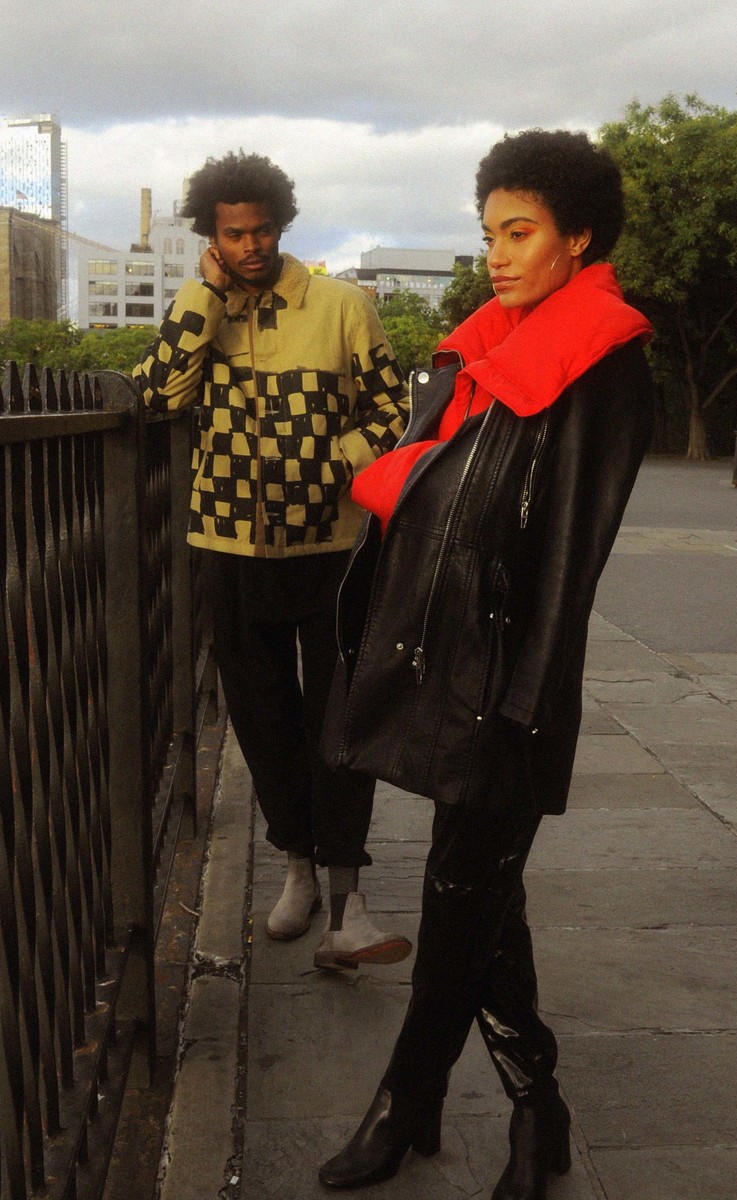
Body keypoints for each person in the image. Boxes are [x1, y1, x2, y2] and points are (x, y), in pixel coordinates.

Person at [317, 130, 654, 1197]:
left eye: (519, 232)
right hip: (444, 656)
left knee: (462, 886)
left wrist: (522, 700)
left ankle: (409, 1100)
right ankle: (531, 1108)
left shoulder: (603, 359)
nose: (496, 255)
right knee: (479, 892)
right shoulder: (483, 350)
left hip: (510, 679)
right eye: (488, 233)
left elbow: (570, 558)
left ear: (577, 237)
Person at [133, 151, 411, 968]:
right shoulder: (203, 308)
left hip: (332, 549)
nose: (250, 246)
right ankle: (297, 868)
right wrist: (203, 296)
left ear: (281, 225)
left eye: (260, 231)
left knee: (340, 722)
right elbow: (155, 394)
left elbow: (395, 409)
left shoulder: (342, 306)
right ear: (211, 238)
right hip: (228, 550)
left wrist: (334, 464)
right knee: (262, 721)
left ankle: (348, 901)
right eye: (233, 235)